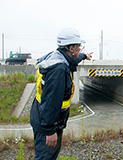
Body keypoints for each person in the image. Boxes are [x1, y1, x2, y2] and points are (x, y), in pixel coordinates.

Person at [30, 28, 93, 160]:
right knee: (45, 157)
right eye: (79, 47)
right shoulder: (59, 70)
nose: (80, 49)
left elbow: (72, 61)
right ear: (71, 48)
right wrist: (50, 131)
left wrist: (84, 56)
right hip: (46, 123)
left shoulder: (55, 56)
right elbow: (51, 102)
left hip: (40, 116)